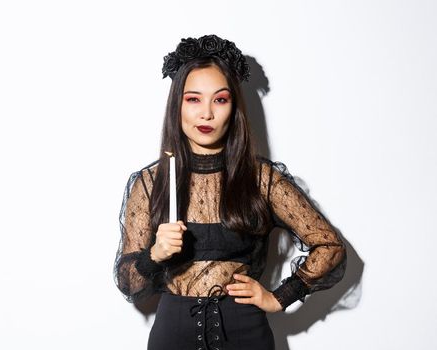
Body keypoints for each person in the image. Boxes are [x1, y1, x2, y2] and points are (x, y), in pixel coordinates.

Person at [113, 34, 347, 350]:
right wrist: (155, 254)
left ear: (233, 106)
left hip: (245, 333)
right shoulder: (150, 182)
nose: (206, 114)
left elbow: (329, 246)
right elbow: (129, 283)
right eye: (193, 99)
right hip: (173, 335)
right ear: (177, 105)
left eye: (219, 99)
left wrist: (280, 297)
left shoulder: (262, 180)